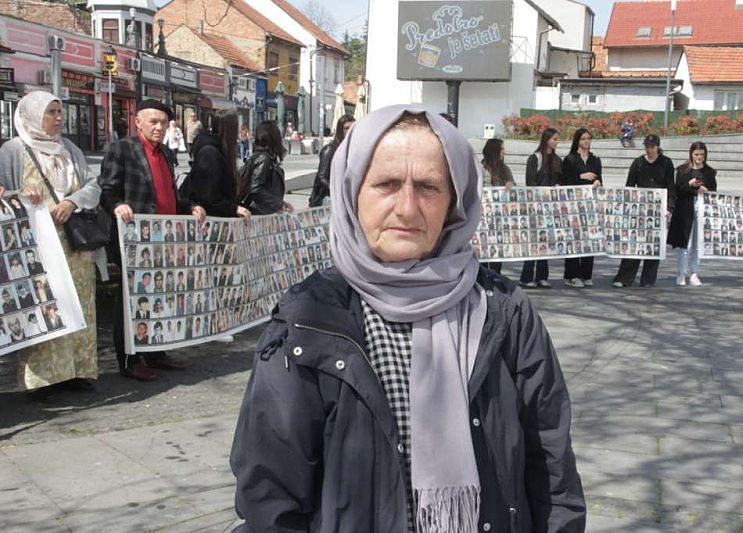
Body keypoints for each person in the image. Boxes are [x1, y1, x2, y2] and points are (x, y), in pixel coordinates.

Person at [230, 105, 586, 532]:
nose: (407, 208)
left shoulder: (504, 311)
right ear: (351, 191)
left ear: (454, 202)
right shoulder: (307, 317)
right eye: (386, 184)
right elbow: (271, 498)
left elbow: (551, 471)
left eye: (429, 187)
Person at [0, 91, 103, 397]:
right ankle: (43, 379)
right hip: (37, 243)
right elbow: (3, 193)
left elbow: (92, 186)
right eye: (51, 112)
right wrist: (19, 193)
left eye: (59, 112)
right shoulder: (13, 150)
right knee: (45, 304)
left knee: (80, 303)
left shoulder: (69, 149)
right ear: (32, 116)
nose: (58, 118)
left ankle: (78, 370)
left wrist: (72, 202)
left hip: (73, 243)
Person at [99, 98, 206, 382]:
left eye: (164, 123)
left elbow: (170, 193)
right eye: (153, 122)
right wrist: (117, 205)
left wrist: (190, 207)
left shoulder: (167, 153)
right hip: (135, 239)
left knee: (161, 297)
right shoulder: (122, 149)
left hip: (165, 239)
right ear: (138, 122)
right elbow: (107, 189)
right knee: (131, 302)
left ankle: (156, 352)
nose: (159, 127)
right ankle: (129, 359)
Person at [613, 134, 676, 288]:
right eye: (647, 146)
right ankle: (624, 278)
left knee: (653, 245)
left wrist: (669, 207)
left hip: (658, 210)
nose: (649, 150)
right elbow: (629, 186)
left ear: (658, 147)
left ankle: (648, 279)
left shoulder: (666, 163)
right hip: (639, 210)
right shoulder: (638, 163)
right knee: (634, 243)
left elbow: (670, 187)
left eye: (652, 147)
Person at [186, 109, 251, 221]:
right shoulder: (210, 153)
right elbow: (208, 195)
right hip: (208, 218)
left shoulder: (221, 151)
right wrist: (234, 209)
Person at [667, 142, 717, 287]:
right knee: (684, 244)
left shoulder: (709, 172)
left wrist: (706, 190)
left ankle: (694, 273)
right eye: (696, 154)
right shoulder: (682, 170)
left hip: (701, 208)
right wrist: (689, 185)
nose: (699, 157)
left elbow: (714, 189)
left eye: (702, 155)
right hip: (685, 208)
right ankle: (681, 273)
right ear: (691, 155)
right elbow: (677, 190)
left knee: (697, 243)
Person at [560, 128, 602, 288]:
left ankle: (586, 274)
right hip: (573, 205)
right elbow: (564, 181)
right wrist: (580, 177)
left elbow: (600, 178)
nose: (586, 141)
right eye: (583, 139)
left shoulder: (595, 159)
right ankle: (571, 275)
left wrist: (598, 182)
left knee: (589, 238)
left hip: (590, 205)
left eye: (588, 138)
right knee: (574, 239)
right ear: (577, 141)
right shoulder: (570, 159)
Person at [521, 127, 561, 288]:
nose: (556, 142)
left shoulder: (557, 160)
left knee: (545, 241)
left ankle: (542, 276)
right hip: (536, 205)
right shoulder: (535, 158)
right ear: (546, 140)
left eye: (557, 139)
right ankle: (526, 276)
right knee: (533, 241)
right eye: (554, 139)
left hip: (550, 206)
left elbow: (560, 180)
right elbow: (530, 182)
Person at [238, 121, 294, 215]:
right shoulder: (263, 158)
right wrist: (279, 203)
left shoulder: (264, 157)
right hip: (258, 213)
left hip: (262, 212)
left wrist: (280, 204)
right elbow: (256, 189)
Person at [481, 138, 514, 273]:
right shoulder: (481, 168)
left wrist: (510, 184)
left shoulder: (504, 169)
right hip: (484, 215)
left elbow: (513, 184)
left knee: (497, 251)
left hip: (499, 215)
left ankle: (495, 276)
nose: (503, 152)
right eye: (501, 149)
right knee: (484, 249)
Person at [309, 114, 355, 207]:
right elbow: (322, 177)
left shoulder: (352, 149)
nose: (350, 131)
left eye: (352, 127)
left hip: (346, 198)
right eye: (346, 128)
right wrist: (337, 190)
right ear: (340, 130)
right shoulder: (330, 149)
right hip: (329, 197)